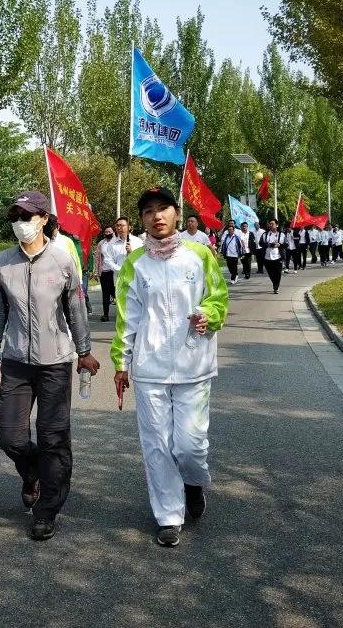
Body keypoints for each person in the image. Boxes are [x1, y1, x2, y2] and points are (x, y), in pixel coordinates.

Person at [111, 186, 228, 548]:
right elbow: (126, 318)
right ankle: (168, 515)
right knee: (157, 445)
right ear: (142, 221)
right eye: (149, 212)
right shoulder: (134, 264)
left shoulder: (199, 255)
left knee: (190, 445)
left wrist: (209, 315)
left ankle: (193, 481)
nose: (157, 216)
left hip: (194, 363)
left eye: (163, 209)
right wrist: (122, 363)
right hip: (150, 368)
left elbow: (219, 297)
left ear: (177, 213)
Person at [0, 191, 100, 542]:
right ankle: (33, 472)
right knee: (9, 436)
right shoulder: (2, 263)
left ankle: (47, 508)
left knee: (53, 437)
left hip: (54, 363)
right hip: (17, 362)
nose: (21, 222)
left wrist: (84, 351)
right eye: (16, 215)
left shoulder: (64, 261)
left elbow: (76, 310)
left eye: (27, 215)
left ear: (44, 218)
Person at [98, 218, 143, 322]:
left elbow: (143, 260)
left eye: (122, 225)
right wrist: (121, 269)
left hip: (136, 278)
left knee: (137, 306)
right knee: (122, 307)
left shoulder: (138, 242)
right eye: (117, 225)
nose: (119, 228)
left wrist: (131, 253)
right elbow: (108, 261)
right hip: (119, 279)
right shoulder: (110, 244)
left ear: (129, 227)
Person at [260, 219, 284, 294]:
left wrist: (280, 244)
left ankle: (276, 287)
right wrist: (268, 244)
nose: (270, 225)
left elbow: (286, 244)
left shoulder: (281, 235)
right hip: (267, 257)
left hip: (277, 257)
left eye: (272, 224)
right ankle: (275, 284)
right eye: (270, 224)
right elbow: (261, 243)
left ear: (277, 225)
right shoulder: (265, 234)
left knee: (278, 273)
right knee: (271, 274)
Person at [220, 220, 243, 284]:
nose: (230, 230)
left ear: (233, 230)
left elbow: (239, 245)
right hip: (228, 254)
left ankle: (233, 279)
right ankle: (235, 274)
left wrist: (240, 253)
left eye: (231, 229)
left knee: (234, 266)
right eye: (229, 229)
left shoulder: (236, 238)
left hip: (234, 254)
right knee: (229, 267)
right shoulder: (226, 237)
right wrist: (222, 251)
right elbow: (223, 244)